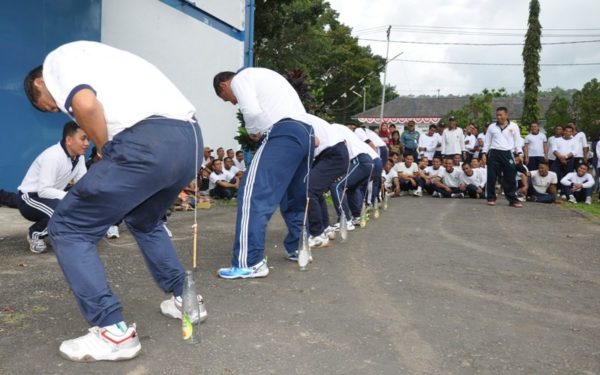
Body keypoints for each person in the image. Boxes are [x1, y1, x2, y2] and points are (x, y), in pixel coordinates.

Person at [24, 41, 205, 361]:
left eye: (50, 106)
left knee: (67, 227)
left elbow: (86, 106)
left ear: (40, 83)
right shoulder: (102, 59)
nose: (57, 111)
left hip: (147, 142)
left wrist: (104, 146)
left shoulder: (57, 61)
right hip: (189, 141)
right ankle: (186, 298)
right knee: (143, 221)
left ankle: (112, 332)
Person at [213, 67, 312, 279]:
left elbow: (252, 111)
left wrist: (252, 131)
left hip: (282, 132)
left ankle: (249, 262)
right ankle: (299, 248)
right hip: (305, 133)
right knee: (293, 196)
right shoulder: (267, 77)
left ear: (224, 85)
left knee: (252, 195)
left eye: (228, 99)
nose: (234, 102)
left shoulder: (241, 78)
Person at [17, 122, 88, 253]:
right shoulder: (53, 156)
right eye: (83, 138)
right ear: (69, 140)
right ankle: (35, 234)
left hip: (52, 196)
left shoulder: (79, 157)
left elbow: (83, 184)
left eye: (88, 139)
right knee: (60, 209)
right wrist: (71, 198)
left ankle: (65, 235)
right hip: (30, 199)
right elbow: (43, 191)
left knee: (85, 199)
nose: (87, 143)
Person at [301, 114, 349, 250]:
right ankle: (325, 228)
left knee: (309, 189)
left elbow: (315, 142)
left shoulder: (296, 118)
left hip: (332, 154)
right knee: (316, 191)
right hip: (333, 153)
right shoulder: (303, 116)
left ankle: (317, 235)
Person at [481, 107, 523, 207]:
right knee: (491, 176)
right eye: (497, 115)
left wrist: (520, 153)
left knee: (510, 176)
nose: (499, 117)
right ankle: (491, 198)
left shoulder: (514, 126)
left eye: (501, 115)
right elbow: (487, 142)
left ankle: (512, 199)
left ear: (506, 115)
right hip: (494, 153)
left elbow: (517, 141)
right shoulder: (492, 127)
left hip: (508, 153)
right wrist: (484, 153)